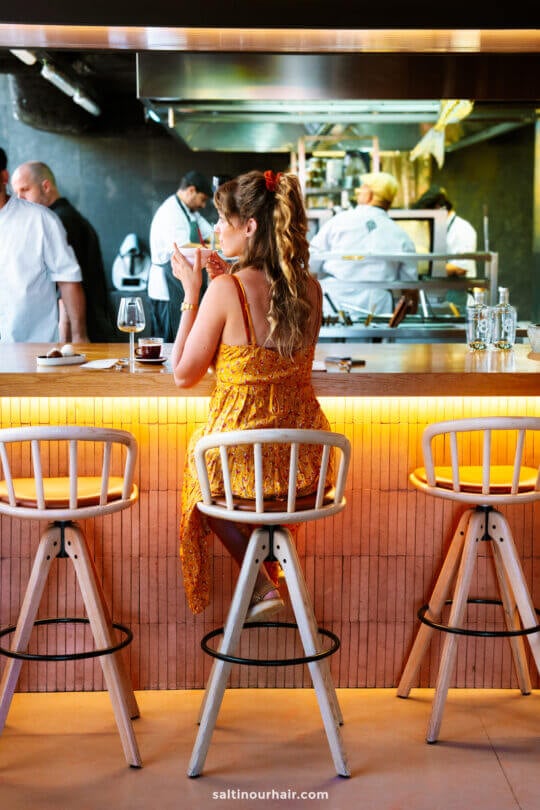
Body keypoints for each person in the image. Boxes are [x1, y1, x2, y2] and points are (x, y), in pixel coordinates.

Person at [169, 169, 332, 618]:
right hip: (305, 465)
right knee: (220, 477)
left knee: (200, 479)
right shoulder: (312, 289)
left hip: (243, 458)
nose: (216, 228)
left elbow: (182, 374)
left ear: (250, 226)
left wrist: (192, 294)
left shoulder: (225, 291)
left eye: (223, 220)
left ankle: (263, 585)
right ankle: (273, 575)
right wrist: (225, 282)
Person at [11, 160, 115, 342]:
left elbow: (67, 284)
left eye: (25, 190)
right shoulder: (67, 216)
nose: (19, 198)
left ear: (46, 186)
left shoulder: (58, 222)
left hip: (84, 334)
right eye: (16, 192)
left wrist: (69, 339)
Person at [0, 147, 87, 344]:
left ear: (4, 176)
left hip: (32, 347)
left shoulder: (40, 219)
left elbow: (68, 279)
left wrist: (79, 336)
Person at [309, 171, 417, 317]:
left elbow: (310, 265)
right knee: (373, 339)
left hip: (334, 304)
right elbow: (410, 287)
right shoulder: (401, 235)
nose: (358, 193)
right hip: (378, 307)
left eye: (361, 189)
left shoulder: (337, 222)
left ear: (369, 194)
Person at [148, 170, 214, 342]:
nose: (204, 205)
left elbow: (211, 234)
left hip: (178, 285)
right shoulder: (171, 212)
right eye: (203, 199)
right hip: (167, 290)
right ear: (191, 190)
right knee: (170, 343)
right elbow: (184, 250)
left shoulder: (189, 211)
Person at [411, 185, 478, 277]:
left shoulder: (462, 229)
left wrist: (424, 267)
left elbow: (460, 268)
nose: (427, 221)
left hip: (458, 289)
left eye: (428, 216)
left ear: (438, 208)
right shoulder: (438, 228)